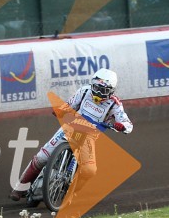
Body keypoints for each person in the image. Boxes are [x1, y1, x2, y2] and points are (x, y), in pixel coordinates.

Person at [10, 69, 133, 201]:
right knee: (42, 157)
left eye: (102, 90)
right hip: (70, 128)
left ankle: (72, 193)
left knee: (89, 170)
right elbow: (69, 105)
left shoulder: (115, 104)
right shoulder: (84, 91)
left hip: (88, 137)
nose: (97, 93)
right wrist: (61, 110)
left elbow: (128, 124)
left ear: (111, 91)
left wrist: (122, 126)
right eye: (96, 88)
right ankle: (19, 188)